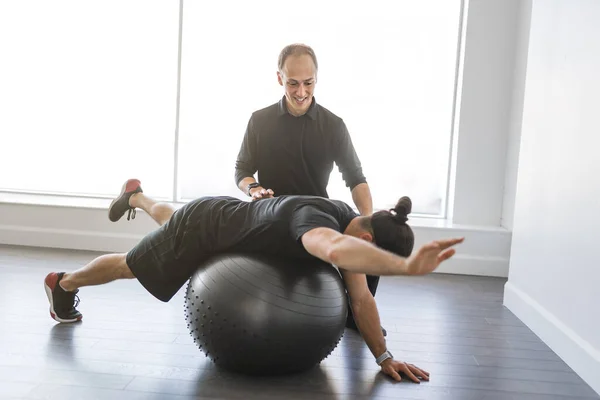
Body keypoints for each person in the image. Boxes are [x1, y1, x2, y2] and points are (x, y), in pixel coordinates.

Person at [44, 179, 463, 383]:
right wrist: (408, 268)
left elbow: (361, 301)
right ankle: (63, 283)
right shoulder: (320, 224)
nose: (373, 270)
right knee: (130, 266)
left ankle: (135, 195)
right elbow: (333, 252)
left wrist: (384, 357)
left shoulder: (348, 224)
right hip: (204, 229)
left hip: (220, 217)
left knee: (170, 222)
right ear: (368, 238)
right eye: (379, 262)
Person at [234, 43, 382, 333]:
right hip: (272, 213)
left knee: (369, 241)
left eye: (308, 83)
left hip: (317, 217)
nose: (301, 92)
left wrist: (368, 220)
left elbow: (355, 177)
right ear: (279, 79)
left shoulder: (333, 125)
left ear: (316, 78)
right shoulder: (260, 121)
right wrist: (254, 190)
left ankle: (355, 316)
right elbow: (242, 170)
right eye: (292, 83)